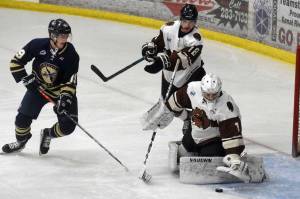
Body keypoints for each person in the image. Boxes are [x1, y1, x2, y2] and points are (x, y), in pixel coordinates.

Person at [2, 18, 79, 155]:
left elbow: (70, 81)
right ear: (52, 35)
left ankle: (48, 134)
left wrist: (65, 99)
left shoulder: (71, 54)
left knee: (68, 127)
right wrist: (26, 79)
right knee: (21, 120)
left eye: (67, 36)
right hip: (38, 89)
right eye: (62, 36)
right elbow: (15, 62)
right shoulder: (37, 44)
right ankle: (21, 142)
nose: (65, 39)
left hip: (59, 92)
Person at [165, 73, 259, 182]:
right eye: (207, 94)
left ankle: (223, 154)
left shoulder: (227, 106)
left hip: (213, 140)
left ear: (219, 90)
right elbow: (176, 100)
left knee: (208, 159)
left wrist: (234, 158)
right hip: (194, 132)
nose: (210, 97)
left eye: (213, 94)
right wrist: (166, 110)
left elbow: (232, 135)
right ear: (201, 89)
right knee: (182, 153)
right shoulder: (193, 90)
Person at [141, 4, 206, 99]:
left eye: (191, 22)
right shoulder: (168, 28)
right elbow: (161, 42)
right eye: (184, 21)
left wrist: (163, 62)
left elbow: (184, 59)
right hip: (169, 73)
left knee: (189, 103)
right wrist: (152, 48)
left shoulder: (196, 40)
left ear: (195, 22)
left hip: (192, 74)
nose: (187, 25)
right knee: (166, 100)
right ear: (180, 19)